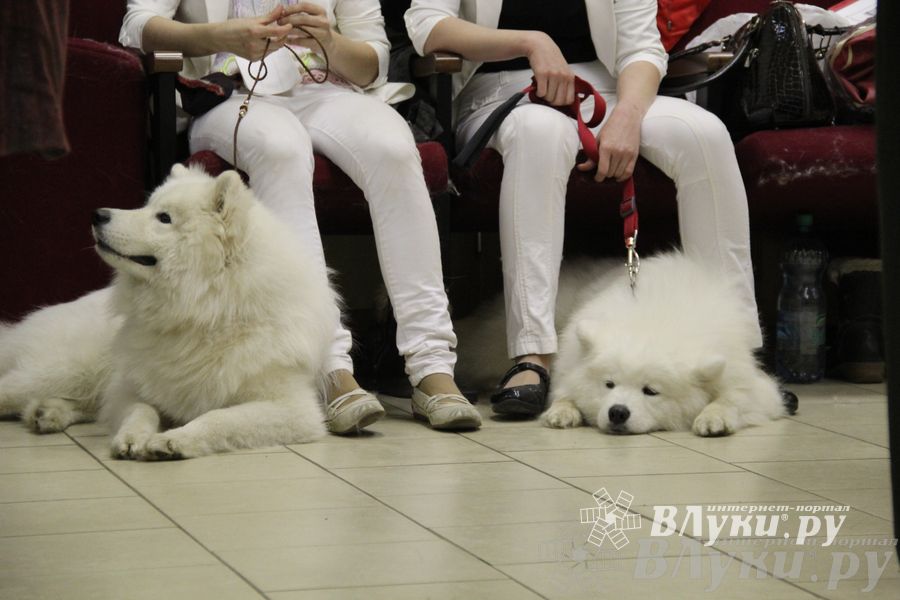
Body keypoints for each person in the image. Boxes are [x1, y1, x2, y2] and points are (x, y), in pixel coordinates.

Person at [120, 0, 481, 432]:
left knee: (394, 149)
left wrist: (329, 42)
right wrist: (220, 37)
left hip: (328, 90)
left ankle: (432, 365)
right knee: (281, 149)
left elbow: (373, 62)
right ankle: (328, 367)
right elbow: (136, 25)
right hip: (227, 93)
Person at [405, 0, 763, 416]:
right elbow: (426, 25)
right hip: (501, 83)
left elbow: (641, 49)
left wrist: (628, 116)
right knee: (539, 131)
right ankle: (532, 357)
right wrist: (530, 43)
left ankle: (737, 358)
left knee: (706, 134)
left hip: (610, 85)